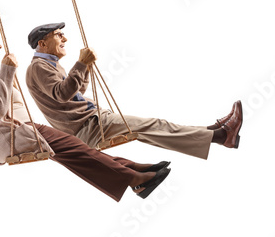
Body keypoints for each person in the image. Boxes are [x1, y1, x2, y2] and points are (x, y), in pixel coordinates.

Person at [0, 25, 171, 201]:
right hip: (12, 135)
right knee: (75, 150)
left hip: (21, 130)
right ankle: (134, 179)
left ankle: (133, 171)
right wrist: (6, 70)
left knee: (76, 149)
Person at [25, 22, 243, 160]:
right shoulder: (38, 67)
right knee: (154, 126)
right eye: (58, 35)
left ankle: (214, 131)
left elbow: (76, 90)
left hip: (93, 118)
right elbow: (63, 94)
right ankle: (221, 136)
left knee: (157, 126)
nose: (64, 39)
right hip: (87, 126)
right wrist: (81, 64)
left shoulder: (50, 64)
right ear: (43, 43)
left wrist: (86, 67)